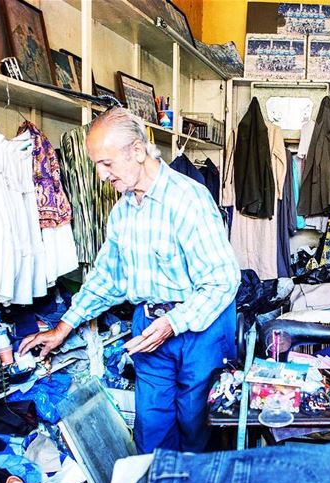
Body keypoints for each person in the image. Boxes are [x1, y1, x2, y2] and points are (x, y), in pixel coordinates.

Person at [18, 107, 241, 453]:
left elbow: (223, 280)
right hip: (149, 324)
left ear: (137, 151)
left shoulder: (188, 200)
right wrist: (63, 327)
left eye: (106, 163)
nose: (100, 175)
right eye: (96, 165)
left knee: (197, 426)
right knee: (152, 427)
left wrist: (172, 324)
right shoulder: (123, 212)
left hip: (201, 327)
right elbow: (107, 277)